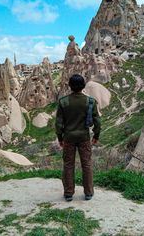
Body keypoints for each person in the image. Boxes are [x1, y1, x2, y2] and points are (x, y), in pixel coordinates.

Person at [55, 74, 101, 202]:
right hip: (84, 138)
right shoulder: (90, 101)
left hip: (68, 138)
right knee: (86, 164)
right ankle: (88, 192)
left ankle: (69, 193)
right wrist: (96, 135)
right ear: (83, 86)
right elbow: (97, 121)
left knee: (68, 165)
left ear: (69, 86)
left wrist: (60, 138)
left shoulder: (63, 102)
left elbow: (58, 123)